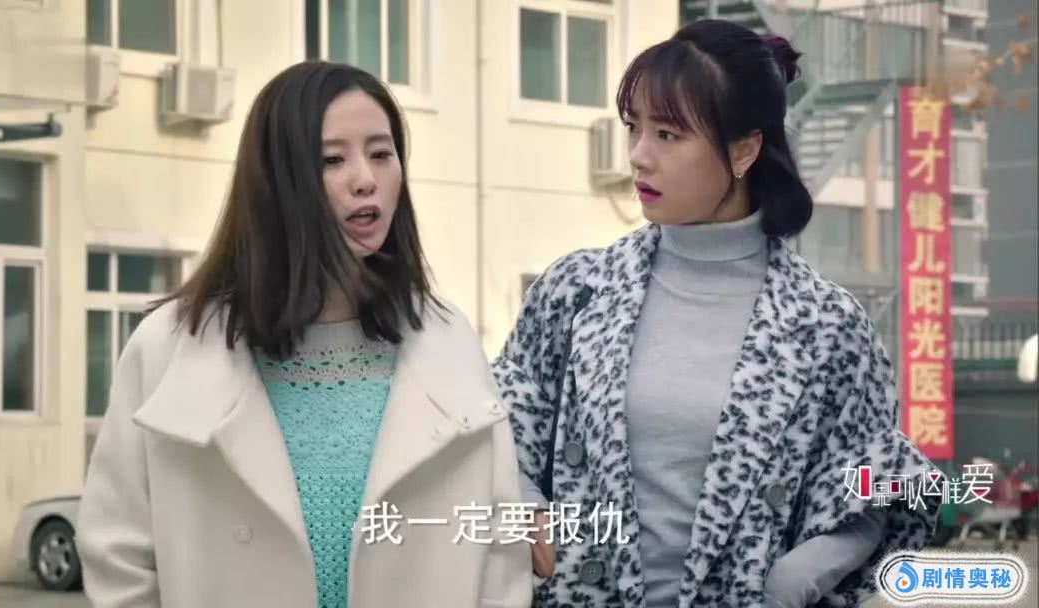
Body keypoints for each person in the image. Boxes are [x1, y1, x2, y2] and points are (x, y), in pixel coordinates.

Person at [493, 20, 940, 608]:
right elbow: (499, 425)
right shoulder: (576, 291)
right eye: (634, 128)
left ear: (744, 150)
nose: (639, 156)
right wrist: (526, 506)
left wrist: (793, 580)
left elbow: (875, 485)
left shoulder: (828, 326)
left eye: (668, 134)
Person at [78, 61, 531, 608]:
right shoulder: (168, 347)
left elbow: (500, 545)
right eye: (332, 160)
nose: (365, 179)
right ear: (276, 182)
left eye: (381, 154)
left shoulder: (447, 337)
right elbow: (118, 554)